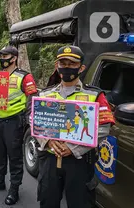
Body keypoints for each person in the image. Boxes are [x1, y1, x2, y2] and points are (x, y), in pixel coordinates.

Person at [35, 46, 115, 208]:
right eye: (62, 63)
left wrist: (73, 148)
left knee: (80, 203)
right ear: (57, 66)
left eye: (72, 64)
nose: (66, 67)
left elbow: (104, 128)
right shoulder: (45, 94)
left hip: (79, 162)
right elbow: (36, 122)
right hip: (50, 160)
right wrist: (48, 142)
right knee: (47, 201)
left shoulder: (95, 95)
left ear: (81, 67)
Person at [0, 46, 38, 205]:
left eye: (4, 56)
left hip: (14, 123)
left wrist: (27, 120)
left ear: (13, 58)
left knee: (14, 157)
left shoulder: (24, 77)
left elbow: (34, 100)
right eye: (0, 55)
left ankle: (14, 189)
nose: (1, 58)